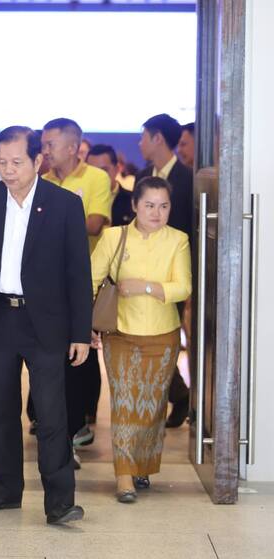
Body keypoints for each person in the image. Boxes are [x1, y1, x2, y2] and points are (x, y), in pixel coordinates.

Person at [0, 126, 90, 525]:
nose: (7, 170)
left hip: (44, 323)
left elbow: (79, 273)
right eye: (2, 162)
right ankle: (4, 490)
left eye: (16, 162)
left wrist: (80, 332)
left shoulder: (63, 205)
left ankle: (59, 501)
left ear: (37, 161)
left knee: (50, 413)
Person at [90, 176, 191, 503]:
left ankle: (141, 464)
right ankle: (124, 476)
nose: (157, 212)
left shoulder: (178, 240)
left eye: (164, 206)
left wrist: (146, 287)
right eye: (149, 205)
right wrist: (85, 325)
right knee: (125, 402)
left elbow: (184, 287)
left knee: (152, 405)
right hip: (120, 332)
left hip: (163, 335)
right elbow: (90, 279)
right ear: (134, 205)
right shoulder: (113, 236)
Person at [40, 117, 112, 454]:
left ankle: (80, 420)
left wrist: (53, 221)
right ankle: (52, 420)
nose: (45, 150)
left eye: (50, 144)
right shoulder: (42, 180)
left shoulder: (96, 178)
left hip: (84, 278)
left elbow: (96, 223)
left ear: (72, 147)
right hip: (46, 282)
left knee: (82, 348)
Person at [137, 113, 194, 427]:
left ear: (157, 138)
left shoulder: (188, 180)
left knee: (165, 340)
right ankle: (177, 394)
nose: (139, 142)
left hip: (172, 277)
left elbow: (193, 234)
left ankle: (177, 395)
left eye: (143, 135)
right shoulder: (144, 175)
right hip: (140, 273)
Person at [87, 144, 135, 227]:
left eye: (104, 171)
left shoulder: (132, 201)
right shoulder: (79, 200)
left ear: (116, 169)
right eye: (93, 171)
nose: (99, 177)